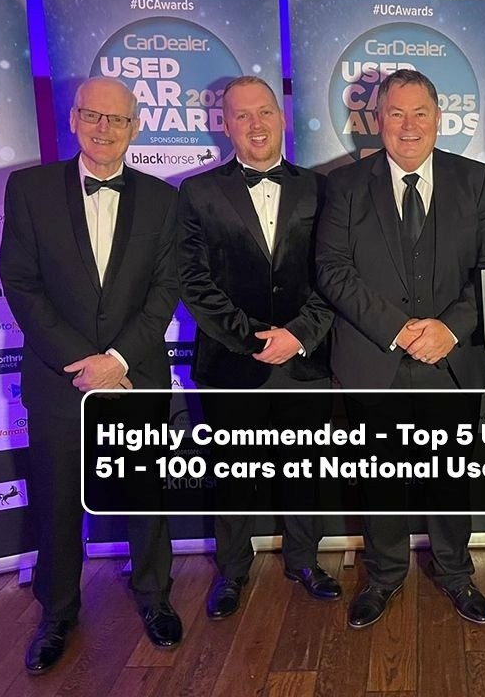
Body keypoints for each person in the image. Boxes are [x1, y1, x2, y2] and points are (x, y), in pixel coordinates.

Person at [315, 68, 485, 629]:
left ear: (438, 118)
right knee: (379, 478)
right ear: (377, 120)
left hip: (452, 362)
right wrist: (400, 330)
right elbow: (332, 269)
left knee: (451, 475)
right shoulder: (344, 185)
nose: (408, 125)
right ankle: (384, 575)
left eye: (419, 113)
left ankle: (456, 573)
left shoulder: (474, 179)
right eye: (395, 113)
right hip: (375, 360)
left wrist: (450, 328)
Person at [0, 77, 182, 673]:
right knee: (57, 499)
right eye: (93, 116)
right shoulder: (29, 189)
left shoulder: (163, 199)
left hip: (135, 374)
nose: (104, 129)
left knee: (145, 496)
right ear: (74, 118)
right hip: (60, 378)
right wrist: (83, 362)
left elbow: (166, 290)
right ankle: (57, 613)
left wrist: (118, 360)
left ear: (135, 128)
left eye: (117, 119)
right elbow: (20, 283)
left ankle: (155, 597)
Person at [177, 76, 341, 618]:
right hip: (230, 363)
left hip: (305, 361)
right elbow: (193, 281)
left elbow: (334, 275)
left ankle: (305, 560)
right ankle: (232, 571)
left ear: (282, 117)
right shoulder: (197, 192)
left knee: (305, 470)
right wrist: (250, 339)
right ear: (224, 125)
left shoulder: (321, 189)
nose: (256, 124)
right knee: (233, 475)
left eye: (265, 111)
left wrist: (299, 335)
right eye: (242, 115)